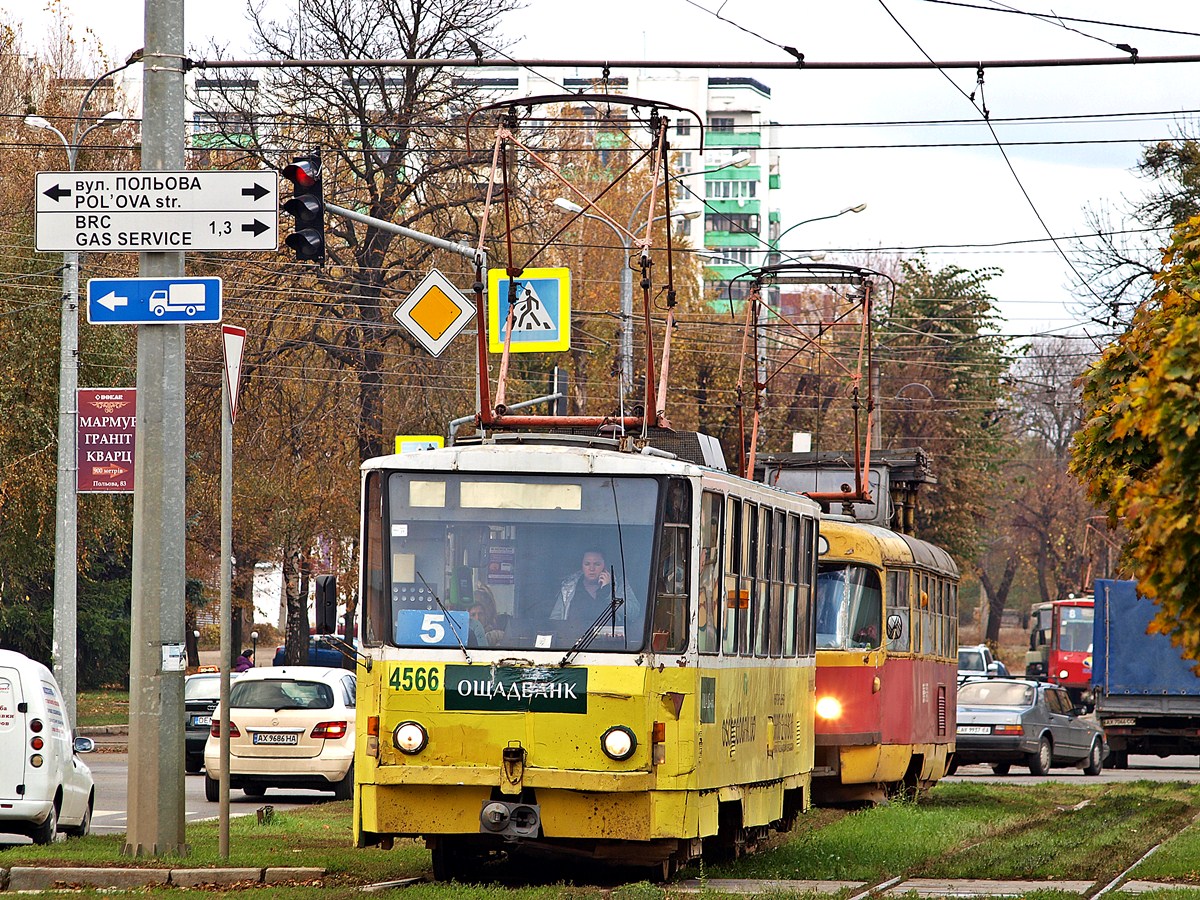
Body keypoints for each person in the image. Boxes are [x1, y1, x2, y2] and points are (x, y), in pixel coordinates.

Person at [551, 549, 620, 627]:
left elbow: (629, 613)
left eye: (597, 564)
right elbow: (555, 620)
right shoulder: (568, 587)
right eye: (587, 564)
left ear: (605, 566)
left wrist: (609, 591)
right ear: (582, 566)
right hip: (576, 634)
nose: (591, 568)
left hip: (610, 634)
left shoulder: (619, 584)